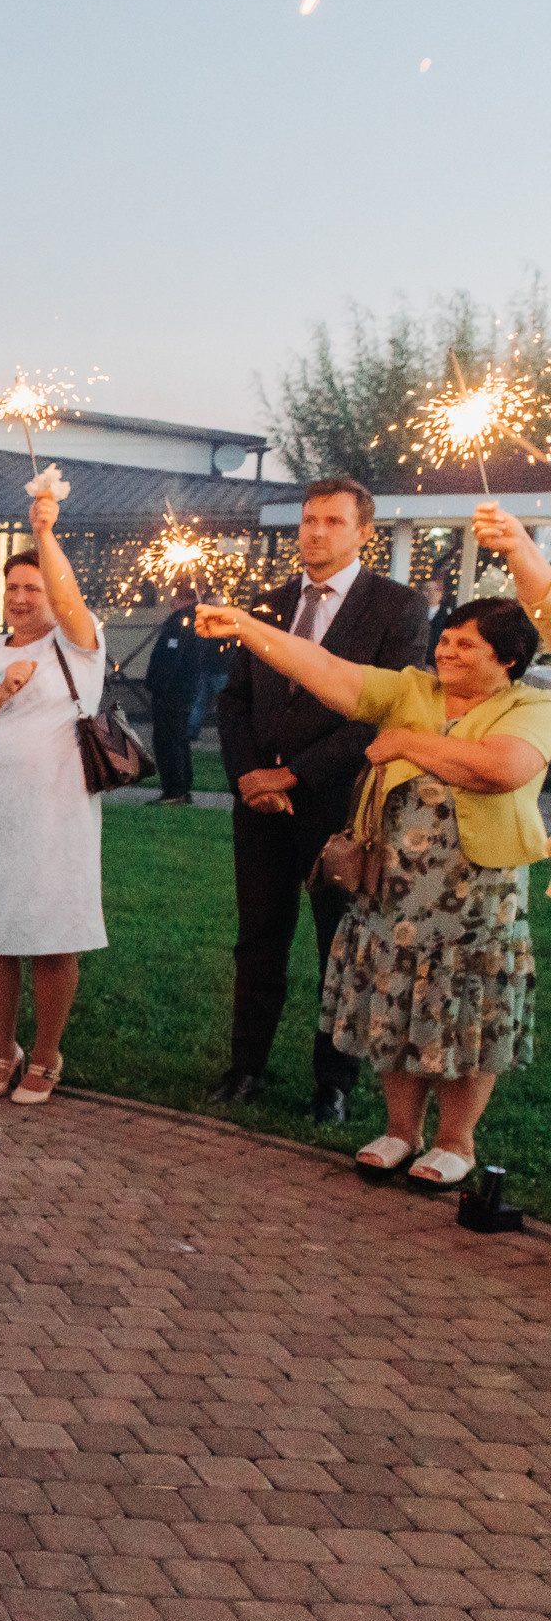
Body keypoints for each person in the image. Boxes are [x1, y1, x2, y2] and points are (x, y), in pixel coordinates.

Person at [195, 595, 551, 1185]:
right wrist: (248, 626)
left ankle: (455, 1142)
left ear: (508, 658)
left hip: (475, 898)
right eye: (446, 638)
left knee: (462, 1012)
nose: (447, 649)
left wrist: (408, 743)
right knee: (395, 1004)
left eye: (467, 643)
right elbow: (324, 669)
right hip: (396, 889)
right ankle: (399, 1132)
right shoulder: (412, 691)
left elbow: (500, 769)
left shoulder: (532, 705)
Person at [207, 477, 424, 1123]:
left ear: (364, 533)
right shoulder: (267, 605)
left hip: (339, 804)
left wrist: (294, 774)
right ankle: (246, 1066)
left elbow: (381, 712)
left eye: (332, 521)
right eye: (308, 520)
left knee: (341, 942)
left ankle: (333, 1081)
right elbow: (233, 697)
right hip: (259, 805)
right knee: (259, 937)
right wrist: (249, 772)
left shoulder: (396, 607)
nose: (315, 532)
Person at [0, 494, 106, 1106]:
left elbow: (69, 601)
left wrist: (45, 531)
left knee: (53, 930)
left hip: (59, 812)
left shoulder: (80, 642)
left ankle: (45, 1054)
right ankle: (0, 1046)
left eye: (33, 587)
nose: (20, 597)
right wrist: (2, 693)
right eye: (13, 586)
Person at [144, 583, 227, 806]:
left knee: (167, 740)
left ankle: (174, 789)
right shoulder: (196, 618)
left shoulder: (182, 620)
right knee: (179, 738)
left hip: (173, 689)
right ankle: (181, 787)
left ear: (182, 597)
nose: (171, 601)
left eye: (175, 596)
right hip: (185, 687)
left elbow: (173, 655)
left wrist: (161, 683)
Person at [419, 575, 448, 663]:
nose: (431, 593)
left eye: (436, 590)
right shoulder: (413, 615)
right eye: (427, 590)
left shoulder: (448, 617)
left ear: (441, 593)